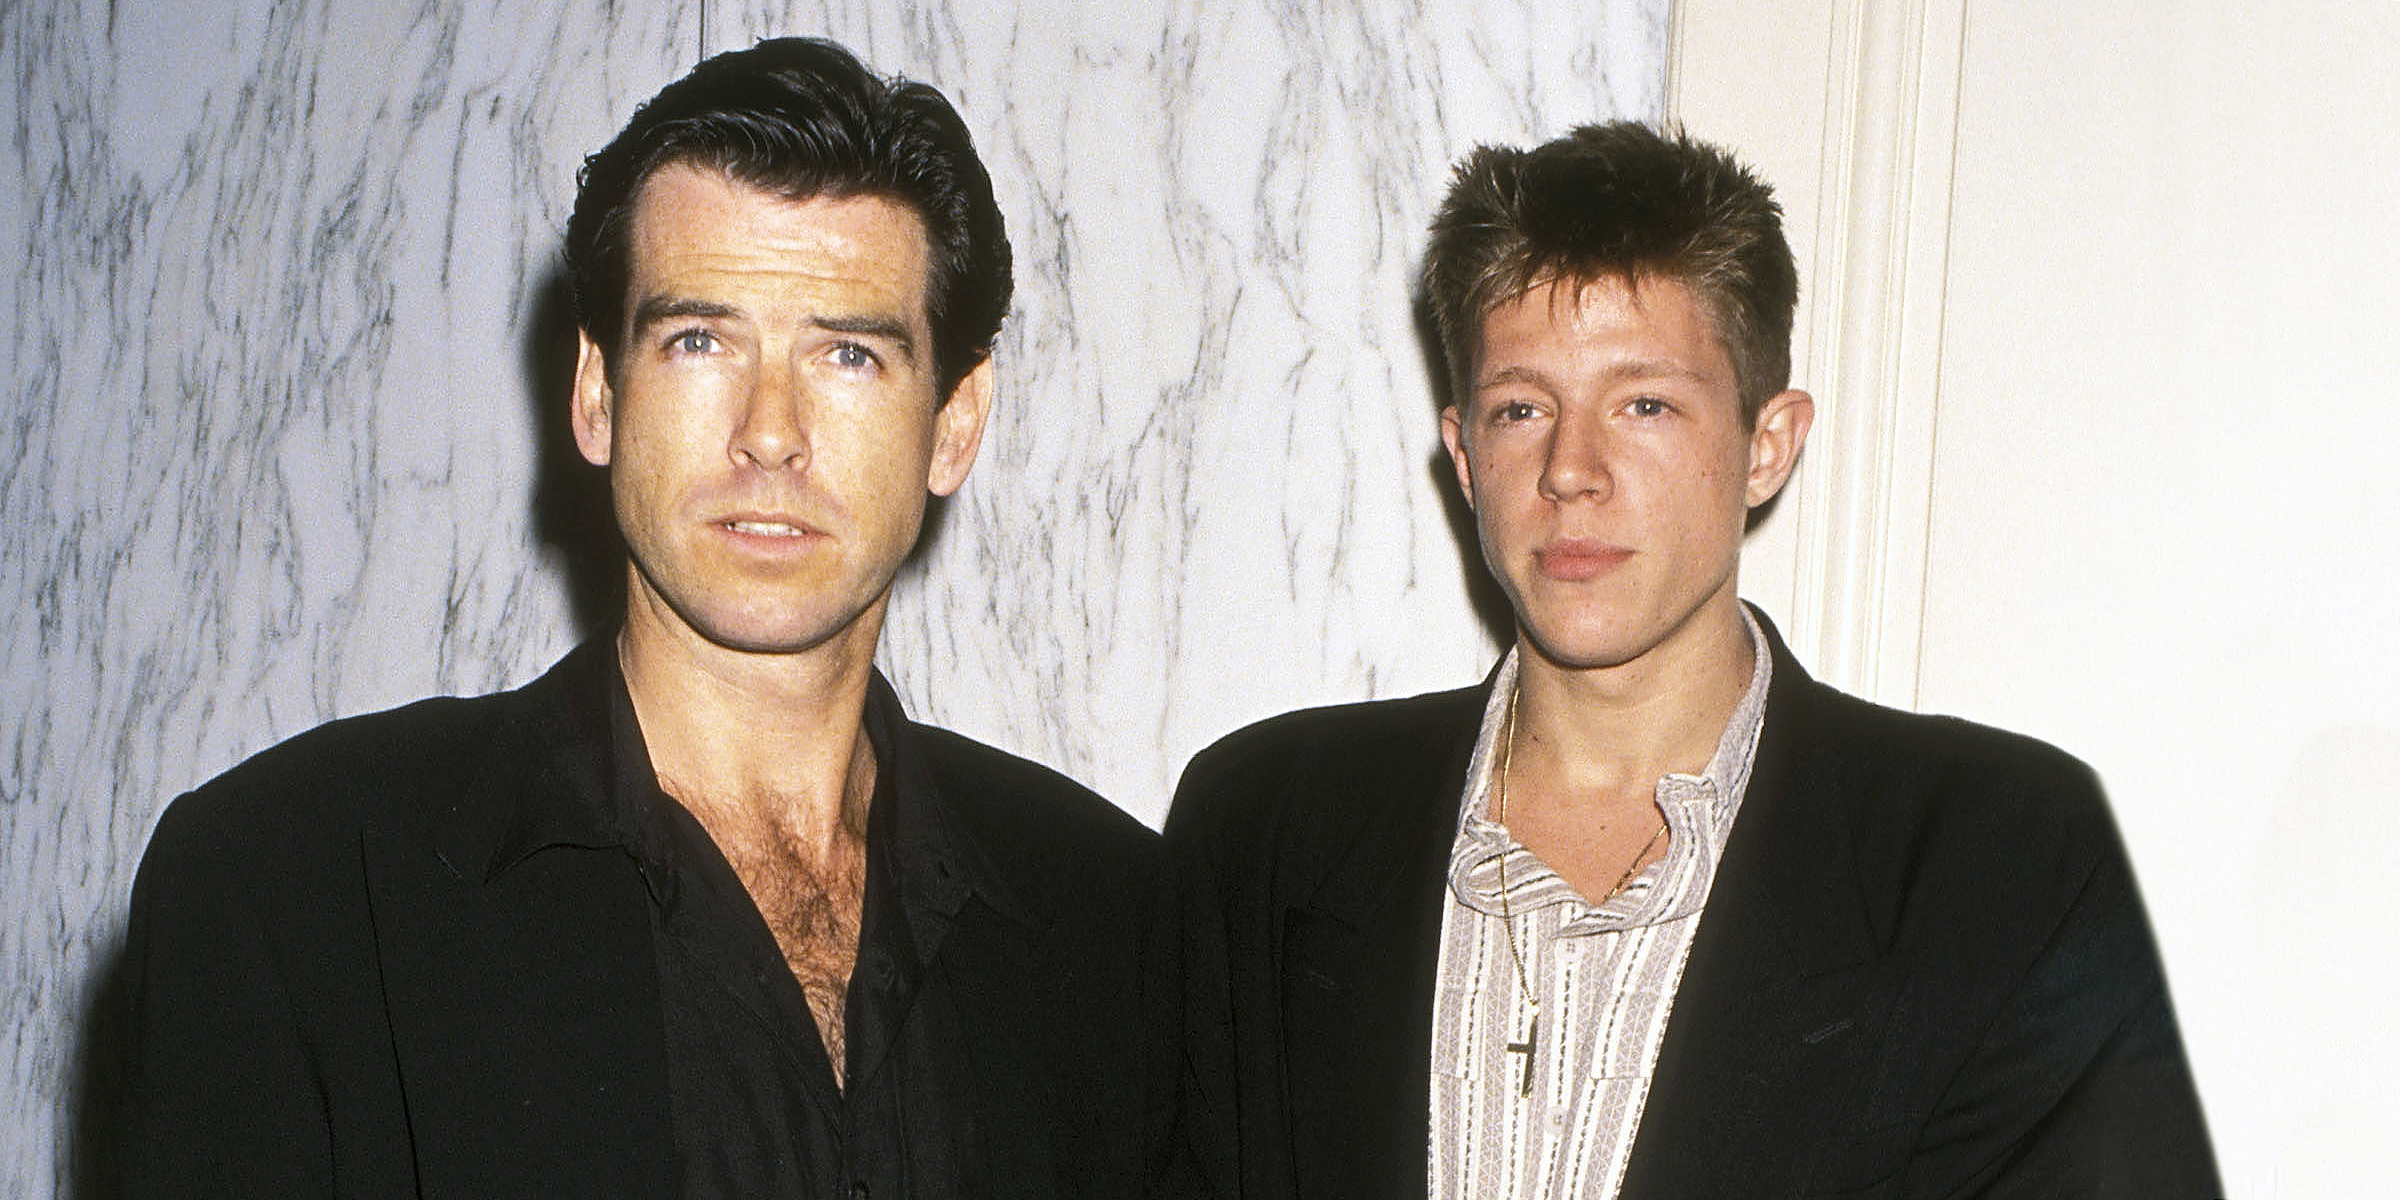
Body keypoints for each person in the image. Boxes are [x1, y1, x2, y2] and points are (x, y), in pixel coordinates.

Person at [118, 38, 1161, 1198]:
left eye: (850, 354)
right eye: (699, 340)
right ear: (597, 394)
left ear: (955, 425)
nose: (771, 430)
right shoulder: (296, 888)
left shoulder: (1122, 922)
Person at [1167, 121, 2218, 1198]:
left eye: (1646, 404)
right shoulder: (1265, 832)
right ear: (1466, 457)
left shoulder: (2000, 858)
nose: (1572, 471)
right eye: (1522, 408)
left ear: (1770, 444)